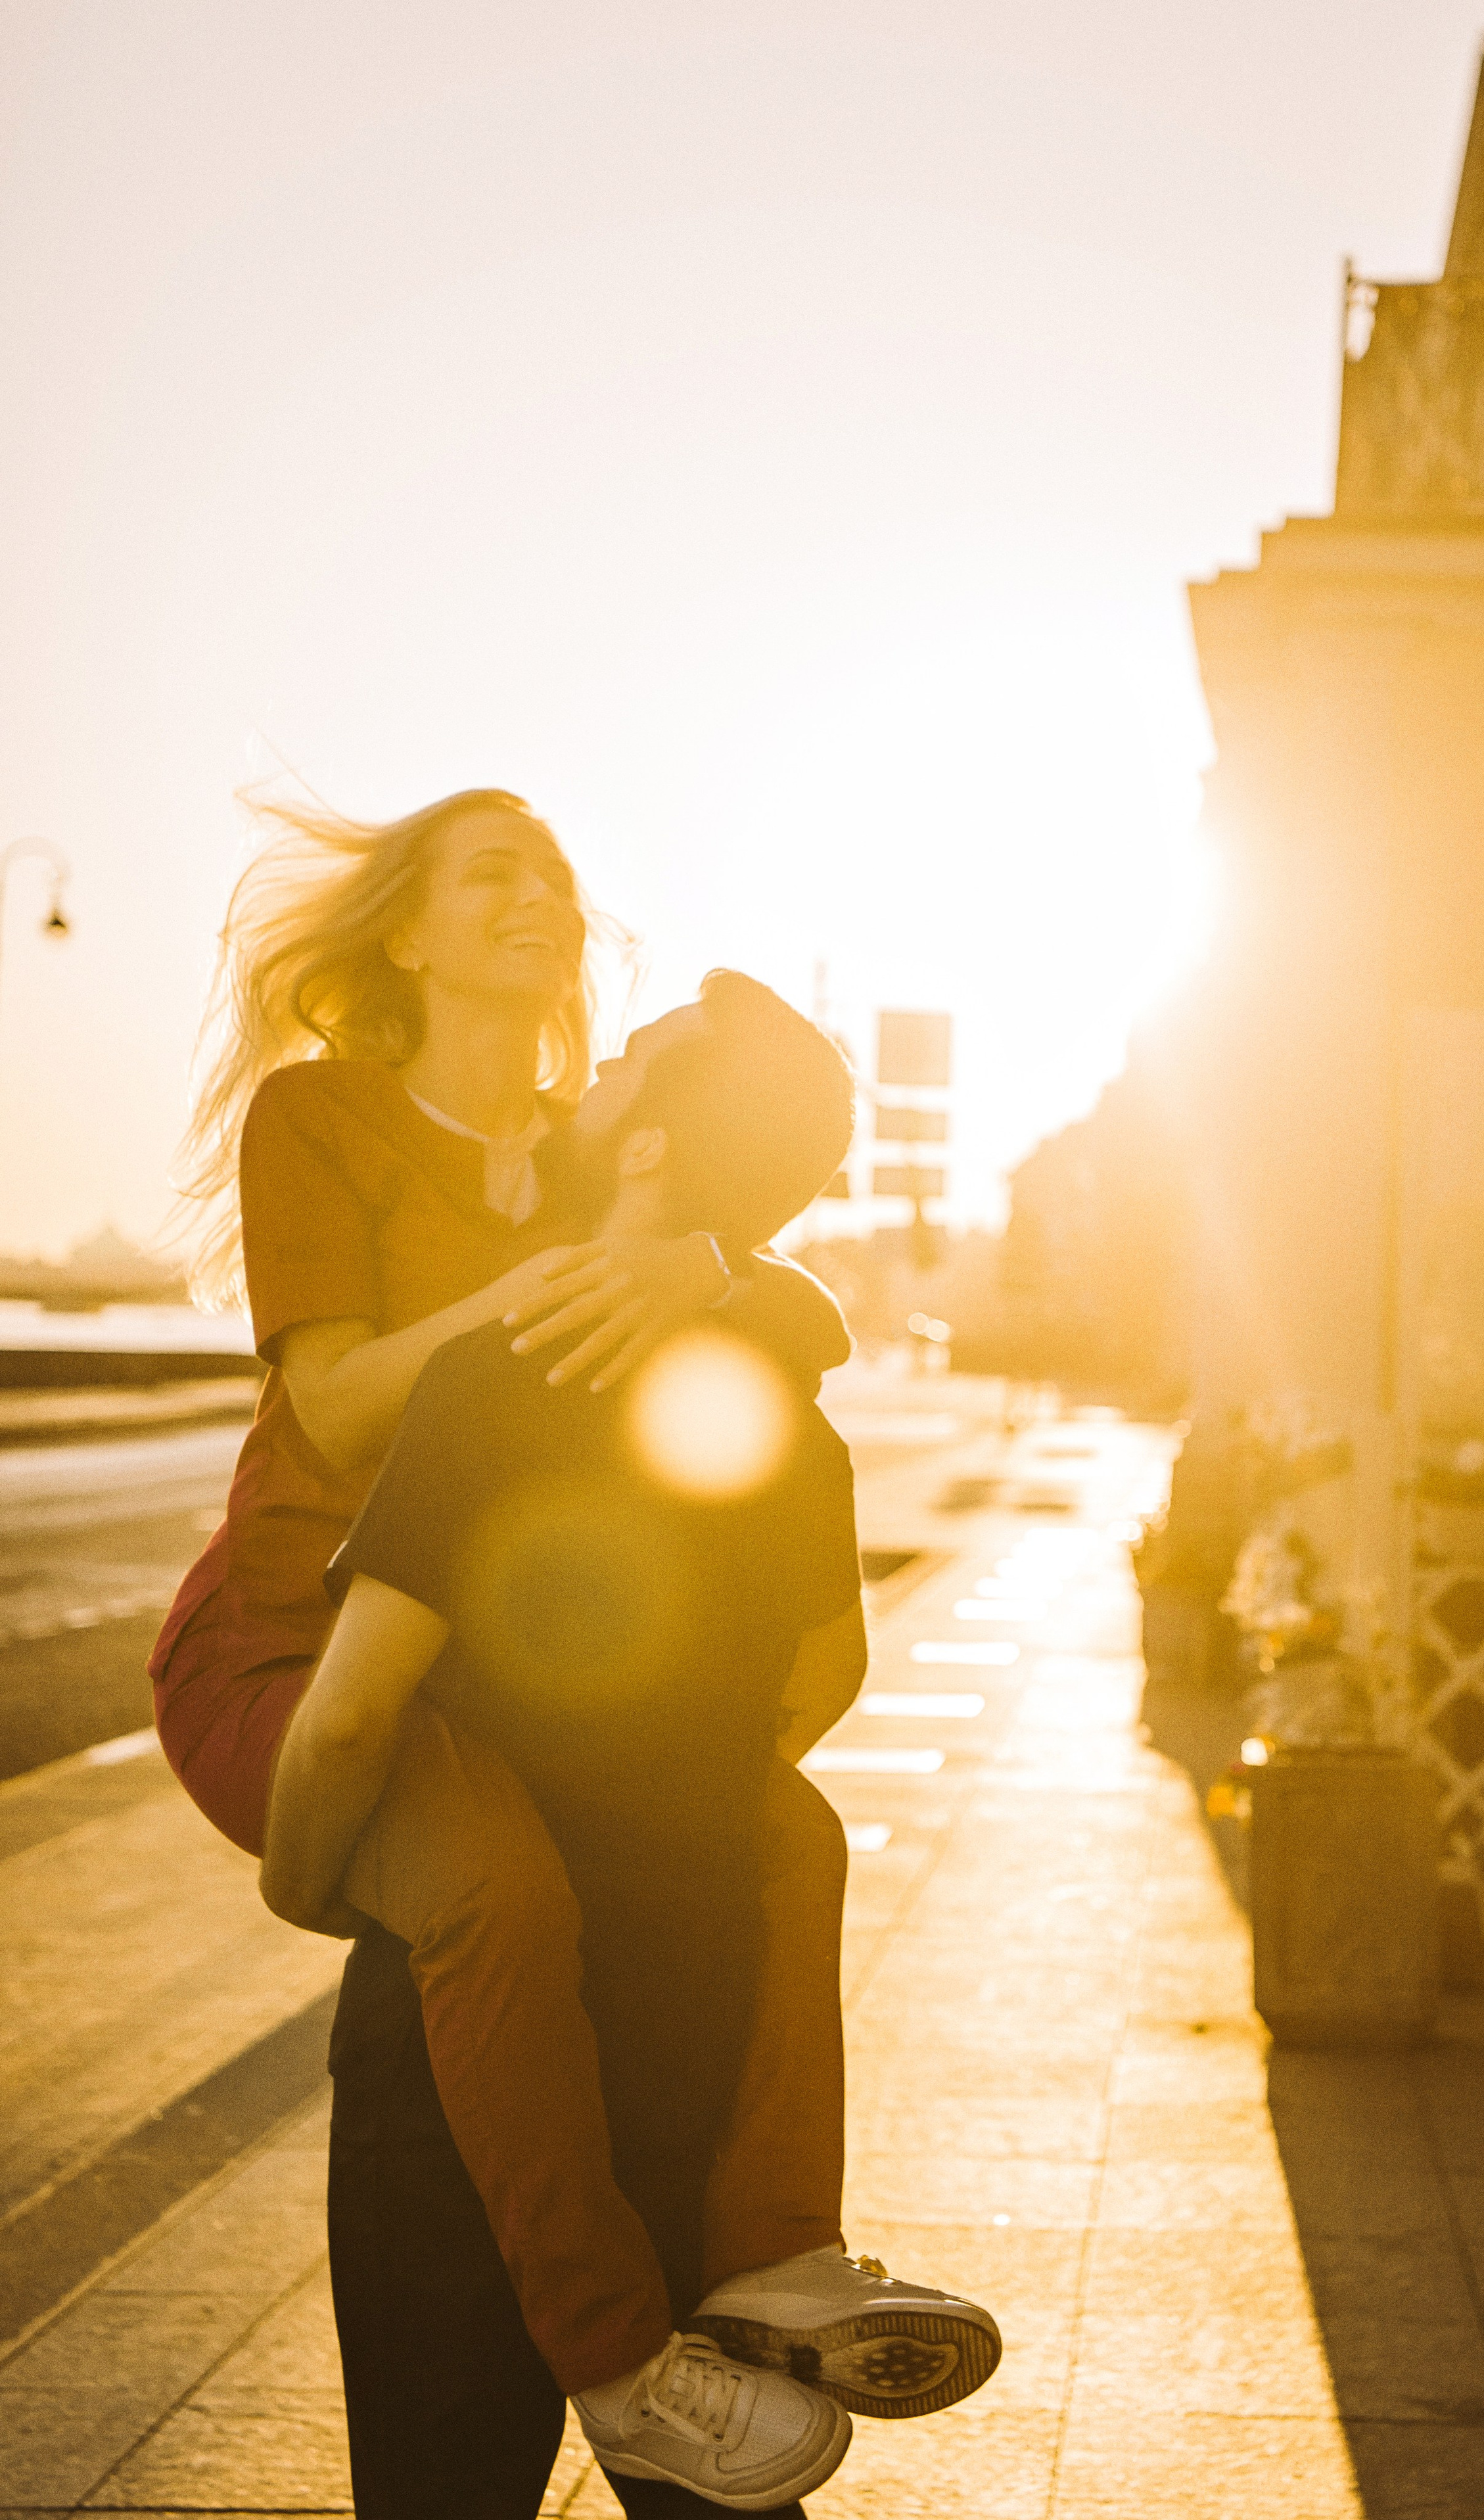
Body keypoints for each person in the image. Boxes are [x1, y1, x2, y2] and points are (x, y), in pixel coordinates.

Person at [261, 973, 1002, 2511]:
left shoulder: (494, 1382)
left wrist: (306, 1881)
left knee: (441, 2486)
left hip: (455, 2070)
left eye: (631, 1056)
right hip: (697, 2009)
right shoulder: (790, 1421)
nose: (595, 1062)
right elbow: (823, 1680)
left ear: (652, 1151)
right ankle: (786, 2276)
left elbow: (344, 1719)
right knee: (718, 2486)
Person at [147, 793, 857, 2397]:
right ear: (407, 932)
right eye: (491, 869)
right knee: (497, 1895)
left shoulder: (585, 1142)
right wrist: (530, 1306)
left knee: (792, 1832)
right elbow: (333, 1413)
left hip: (455, 1673)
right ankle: (620, 2358)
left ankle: (779, 2258)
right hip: (291, 1637)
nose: (536, 891)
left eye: (552, 867)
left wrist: (713, 1276)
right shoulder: (324, 1118)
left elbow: (779, 1284)